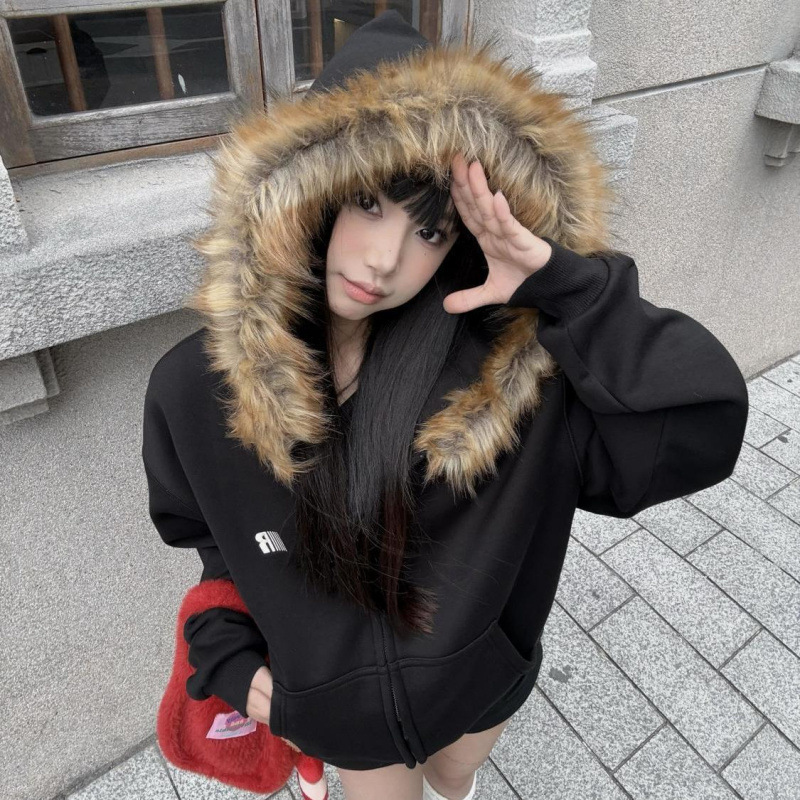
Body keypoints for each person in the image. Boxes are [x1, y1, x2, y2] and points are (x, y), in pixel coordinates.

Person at [141, 10, 749, 800]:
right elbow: (215, 540)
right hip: (339, 721)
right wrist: (229, 650)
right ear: (307, 196)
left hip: (481, 689)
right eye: (368, 202)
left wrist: (571, 291)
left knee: (454, 778)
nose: (385, 259)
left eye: (430, 231)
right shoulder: (195, 391)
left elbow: (701, 429)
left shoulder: (516, 388)